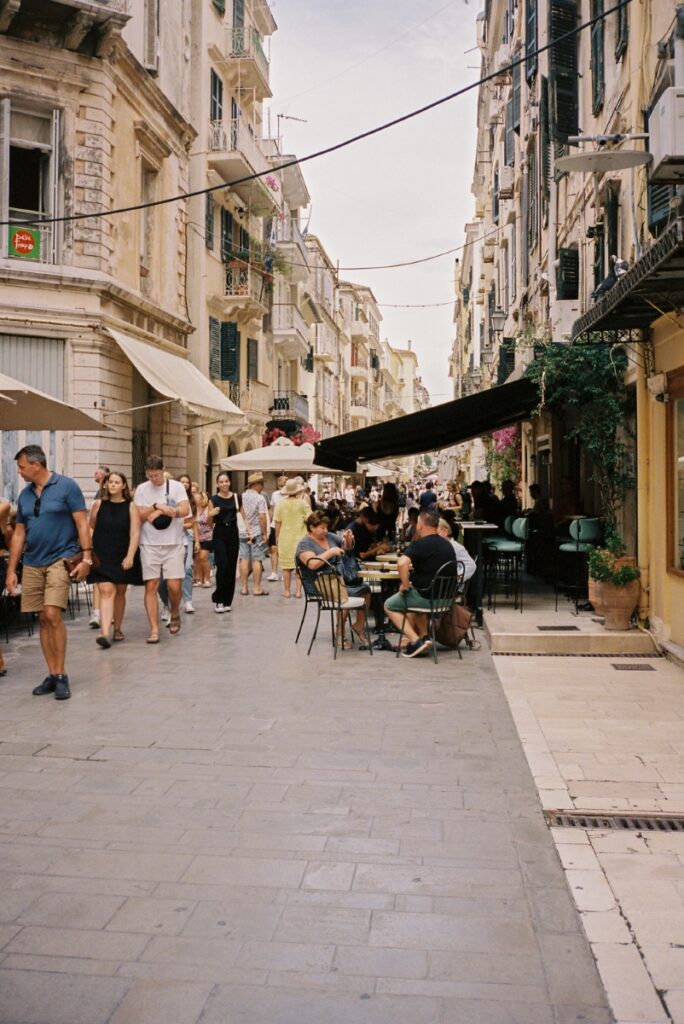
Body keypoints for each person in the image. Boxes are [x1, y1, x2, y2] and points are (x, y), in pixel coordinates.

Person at [5, 445, 92, 699]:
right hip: (32, 562)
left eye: (21, 467)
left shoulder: (68, 486)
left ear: (36, 464)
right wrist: (12, 570)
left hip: (60, 558)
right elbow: (19, 534)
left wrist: (86, 556)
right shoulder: (25, 495)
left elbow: (81, 523)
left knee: (52, 614)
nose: (19, 472)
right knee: (42, 618)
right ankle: (52, 674)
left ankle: (62, 674)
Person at [384, 508, 456, 658]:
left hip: (427, 598)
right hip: (447, 599)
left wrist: (405, 584)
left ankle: (415, 640)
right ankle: (425, 638)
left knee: (389, 605)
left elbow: (402, 563)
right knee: (413, 598)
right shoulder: (447, 545)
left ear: (420, 525)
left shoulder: (420, 544)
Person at [133, 455, 189, 642]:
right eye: (150, 476)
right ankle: (154, 629)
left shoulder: (176, 486)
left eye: (157, 475)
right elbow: (140, 515)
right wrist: (157, 507)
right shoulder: (141, 489)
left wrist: (174, 511)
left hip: (173, 542)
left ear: (163, 470)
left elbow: (185, 509)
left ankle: (174, 612)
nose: (154, 479)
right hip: (149, 543)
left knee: (174, 585)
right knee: (151, 585)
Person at [295, 510, 371, 647]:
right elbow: (312, 564)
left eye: (326, 527)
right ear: (311, 527)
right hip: (318, 584)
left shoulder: (329, 536)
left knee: (365, 589)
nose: (325, 530)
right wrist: (330, 552)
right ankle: (340, 633)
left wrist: (348, 538)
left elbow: (347, 547)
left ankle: (359, 625)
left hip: (336, 581)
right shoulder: (304, 544)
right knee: (346, 594)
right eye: (322, 528)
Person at [89, 472, 141, 648]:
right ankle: (104, 632)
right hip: (102, 553)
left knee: (120, 592)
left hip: (121, 554)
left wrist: (130, 555)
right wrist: (88, 553)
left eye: (117, 482)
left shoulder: (131, 507)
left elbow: (135, 533)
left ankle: (117, 628)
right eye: (110, 482)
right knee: (106, 591)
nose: (112, 485)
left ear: (124, 486)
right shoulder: (98, 505)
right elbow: (90, 528)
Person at [208, 471, 240, 612]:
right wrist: (211, 514)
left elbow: (243, 517)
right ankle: (219, 599)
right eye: (221, 482)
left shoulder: (237, 497)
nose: (224, 484)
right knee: (223, 565)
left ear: (230, 482)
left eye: (226, 481)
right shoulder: (213, 499)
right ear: (217, 484)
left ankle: (228, 600)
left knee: (231, 567)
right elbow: (209, 523)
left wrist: (250, 532)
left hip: (233, 532)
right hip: (219, 532)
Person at [274, 478, 310, 599]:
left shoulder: (281, 503)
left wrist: (277, 537)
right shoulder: (303, 503)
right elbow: (311, 518)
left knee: (286, 567)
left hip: (285, 538)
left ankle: (287, 591)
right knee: (299, 567)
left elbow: (277, 522)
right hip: (301, 538)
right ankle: (299, 591)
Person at [239, 472, 270, 596]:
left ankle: (244, 588)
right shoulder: (260, 498)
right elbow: (262, 517)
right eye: (261, 484)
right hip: (256, 532)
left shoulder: (242, 496)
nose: (262, 486)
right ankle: (257, 588)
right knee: (257, 559)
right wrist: (265, 533)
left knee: (244, 558)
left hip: (243, 531)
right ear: (256, 485)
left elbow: (241, 514)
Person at [88, 464, 110, 630]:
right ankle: (96, 613)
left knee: (113, 583)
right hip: (99, 544)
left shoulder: (126, 505)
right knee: (98, 581)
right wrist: (87, 548)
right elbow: (91, 526)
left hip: (117, 547)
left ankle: (110, 615)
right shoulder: (97, 502)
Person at [437, 517, 477, 583]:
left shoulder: (455, 547)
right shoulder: (440, 545)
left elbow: (471, 565)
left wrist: (454, 579)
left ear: (445, 531)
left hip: (450, 586)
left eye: (437, 532)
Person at [267, 475, 287, 582]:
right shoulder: (274, 494)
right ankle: (274, 572)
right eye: (280, 485)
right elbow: (272, 508)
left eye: (283, 484)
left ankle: (285, 572)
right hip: (274, 525)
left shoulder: (291, 495)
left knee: (284, 550)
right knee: (273, 548)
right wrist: (269, 521)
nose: (282, 487)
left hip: (286, 525)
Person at [194, 490, 213, 587]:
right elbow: (195, 525)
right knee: (198, 559)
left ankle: (208, 580)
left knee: (203, 557)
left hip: (208, 536)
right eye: (195, 498)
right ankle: (200, 580)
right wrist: (196, 540)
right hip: (198, 537)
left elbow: (212, 521)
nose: (197, 500)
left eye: (199, 498)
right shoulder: (194, 510)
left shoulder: (207, 508)